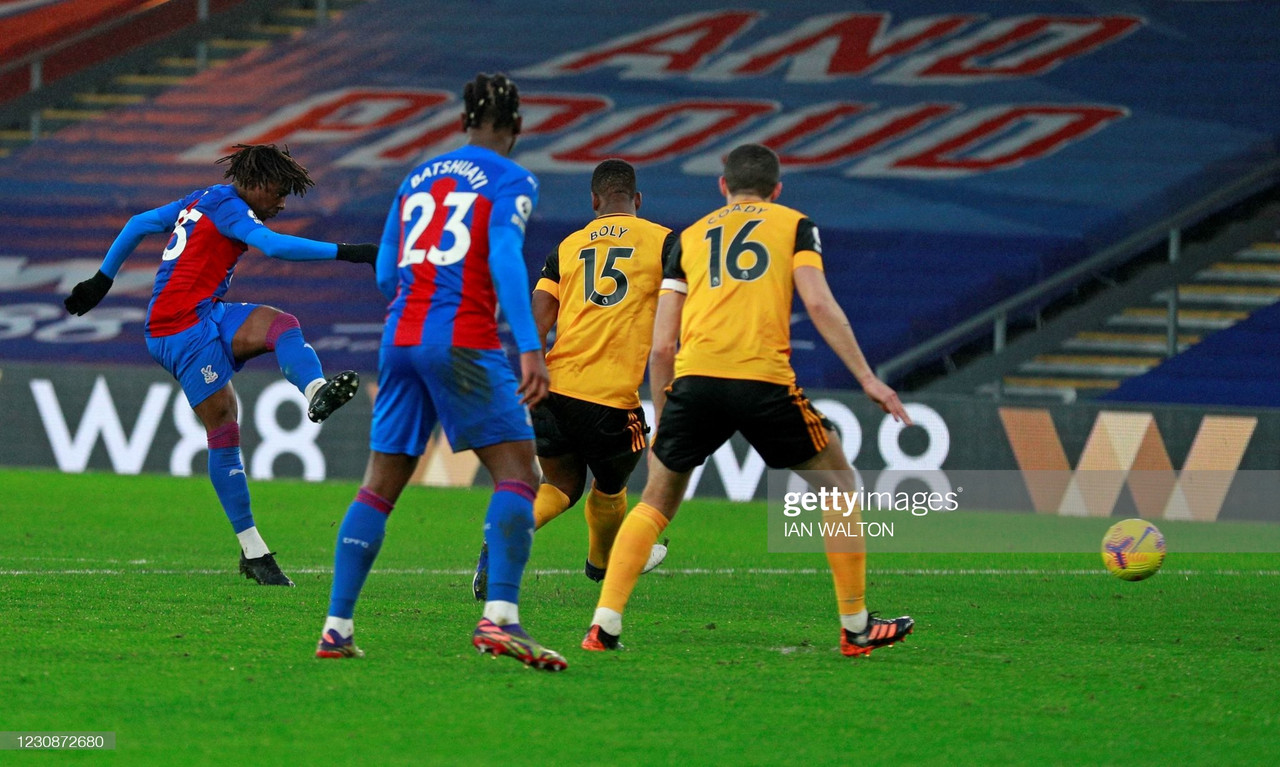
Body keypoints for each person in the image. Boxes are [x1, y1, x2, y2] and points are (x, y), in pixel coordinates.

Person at [581, 144, 916, 657]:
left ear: (723, 186)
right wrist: (869, 379)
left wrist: (664, 422)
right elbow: (820, 303)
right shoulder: (794, 225)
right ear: (777, 189)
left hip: (695, 382)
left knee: (655, 501)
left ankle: (604, 625)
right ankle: (856, 627)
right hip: (762, 379)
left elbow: (664, 342)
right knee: (840, 482)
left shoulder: (688, 238)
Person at [315, 73, 566, 671]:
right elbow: (504, 254)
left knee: (379, 485)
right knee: (519, 473)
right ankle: (500, 618)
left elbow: (383, 273)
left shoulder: (417, 176)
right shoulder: (511, 178)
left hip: (399, 338)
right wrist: (529, 346)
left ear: (462, 122)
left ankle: (336, 628)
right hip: (462, 340)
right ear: (518, 126)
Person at [64, 144, 375, 587]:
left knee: (282, 325)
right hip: (178, 330)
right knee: (224, 428)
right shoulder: (229, 207)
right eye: (281, 192)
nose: (283, 203)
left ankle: (313, 392)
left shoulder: (202, 198)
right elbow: (274, 246)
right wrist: (353, 252)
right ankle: (253, 550)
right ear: (256, 183)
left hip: (206, 313)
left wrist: (102, 280)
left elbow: (137, 224)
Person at [471, 159, 671, 602]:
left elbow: (535, 318)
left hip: (553, 386)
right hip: (611, 397)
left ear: (595, 201)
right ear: (636, 200)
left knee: (559, 485)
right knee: (610, 485)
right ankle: (601, 565)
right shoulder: (664, 242)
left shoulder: (567, 247)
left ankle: (506, 534)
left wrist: (529, 371)